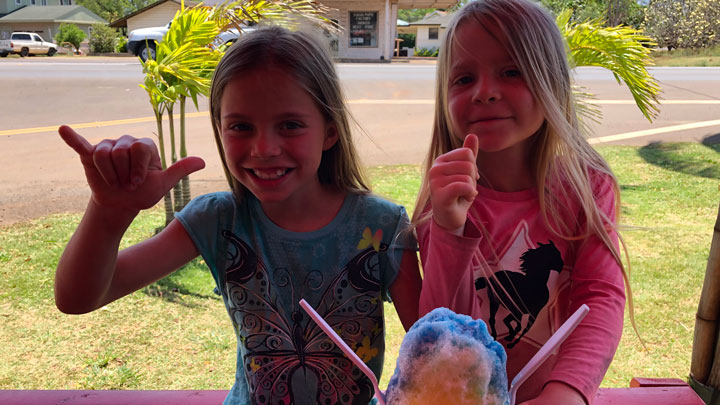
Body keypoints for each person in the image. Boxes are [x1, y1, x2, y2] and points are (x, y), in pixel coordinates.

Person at [55, 26, 421, 405]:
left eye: (290, 125)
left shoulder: (383, 226)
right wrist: (108, 213)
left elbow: (435, 345)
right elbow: (78, 298)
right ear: (219, 129)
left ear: (329, 131)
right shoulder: (217, 221)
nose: (263, 149)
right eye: (241, 126)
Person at [412, 1, 628, 404]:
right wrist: (448, 229)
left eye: (512, 71)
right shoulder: (441, 199)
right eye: (463, 78)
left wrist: (566, 393)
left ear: (553, 83)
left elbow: (600, 299)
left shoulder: (587, 186)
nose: (485, 92)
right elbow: (444, 332)